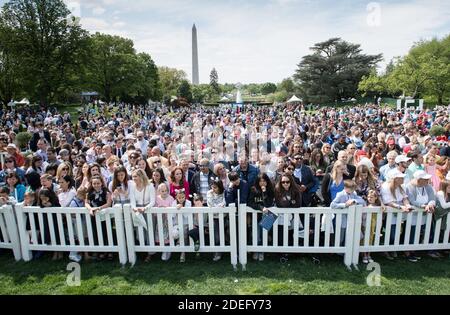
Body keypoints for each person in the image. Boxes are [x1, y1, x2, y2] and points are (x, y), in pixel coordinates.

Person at [380, 169, 415, 261]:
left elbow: (405, 198)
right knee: (390, 233)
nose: (403, 179)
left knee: (396, 233)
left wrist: (407, 205)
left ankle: (392, 248)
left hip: (399, 213)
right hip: (390, 214)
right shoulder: (385, 186)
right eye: (400, 177)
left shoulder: (401, 186)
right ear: (395, 179)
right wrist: (400, 207)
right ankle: (385, 250)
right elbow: (388, 202)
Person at [405, 170, 439, 259]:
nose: (427, 180)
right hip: (413, 216)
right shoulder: (409, 187)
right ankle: (409, 252)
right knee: (412, 233)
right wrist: (424, 206)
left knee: (421, 232)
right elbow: (412, 201)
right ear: (419, 180)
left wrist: (430, 204)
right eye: (425, 179)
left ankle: (415, 250)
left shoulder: (428, 186)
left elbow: (432, 198)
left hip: (425, 215)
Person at [247, 173, 274, 262]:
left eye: (264, 181)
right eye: (260, 181)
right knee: (256, 234)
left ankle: (261, 251)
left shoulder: (270, 190)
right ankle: (256, 251)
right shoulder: (253, 189)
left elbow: (269, 204)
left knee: (264, 235)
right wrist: (260, 208)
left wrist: (265, 192)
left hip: (268, 216)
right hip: (256, 216)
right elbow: (250, 203)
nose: (262, 183)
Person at [85, 175, 113, 260]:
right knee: (96, 233)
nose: (96, 185)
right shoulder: (89, 193)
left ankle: (109, 252)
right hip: (94, 216)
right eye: (94, 183)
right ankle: (100, 251)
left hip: (105, 216)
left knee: (107, 233)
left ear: (101, 183)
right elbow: (86, 203)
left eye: (98, 183)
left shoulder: (106, 192)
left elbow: (108, 203)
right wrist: (90, 209)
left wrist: (99, 208)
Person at [274, 173, 301, 261]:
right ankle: (281, 253)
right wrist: (290, 203)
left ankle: (290, 252)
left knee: (291, 235)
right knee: (281, 234)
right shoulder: (277, 190)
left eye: (287, 182)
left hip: (292, 217)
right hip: (280, 217)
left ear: (291, 182)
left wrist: (289, 204)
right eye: (283, 182)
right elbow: (279, 204)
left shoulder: (295, 190)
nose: (285, 184)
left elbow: (298, 204)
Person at [330, 180, 366, 245]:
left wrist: (354, 200)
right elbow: (332, 205)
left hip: (351, 221)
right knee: (340, 238)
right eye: (351, 189)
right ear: (345, 188)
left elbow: (362, 201)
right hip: (342, 221)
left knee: (349, 237)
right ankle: (338, 252)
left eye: (353, 189)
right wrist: (344, 205)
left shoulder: (353, 194)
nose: (353, 190)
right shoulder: (340, 194)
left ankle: (345, 253)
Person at [155, 182, 176, 261]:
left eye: (165, 191)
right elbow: (155, 208)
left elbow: (172, 209)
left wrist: (165, 208)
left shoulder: (170, 198)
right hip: (160, 220)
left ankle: (168, 250)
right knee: (160, 235)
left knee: (167, 235)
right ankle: (163, 250)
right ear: (159, 191)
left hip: (168, 220)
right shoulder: (157, 198)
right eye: (162, 191)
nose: (164, 193)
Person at [206, 178, 226, 262]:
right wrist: (219, 207)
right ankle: (217, 251)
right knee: (216, 235)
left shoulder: (224, 193)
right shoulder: (209, 193)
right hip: (214, 217)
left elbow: (224, 202)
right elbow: (210, 204)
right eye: (212, 187)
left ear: (220, 187)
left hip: (223, 217)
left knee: (222, 234)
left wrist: (220, 206)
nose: (213, 189)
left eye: (215, 187)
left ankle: (221, 250)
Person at [173, 189, 192, 263]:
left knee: (184, 233)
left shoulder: (188, 203)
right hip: (176, 223)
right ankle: (178, 243)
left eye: (183, 197)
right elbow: (173, 215)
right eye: (179, 198)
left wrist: (182, 208)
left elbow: (186, 215)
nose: (181, 199)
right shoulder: (174, 203)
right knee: (176, 233)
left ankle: (182, 252)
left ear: (185, 197)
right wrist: (176, 209)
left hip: (185, 223)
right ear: (176, 197)